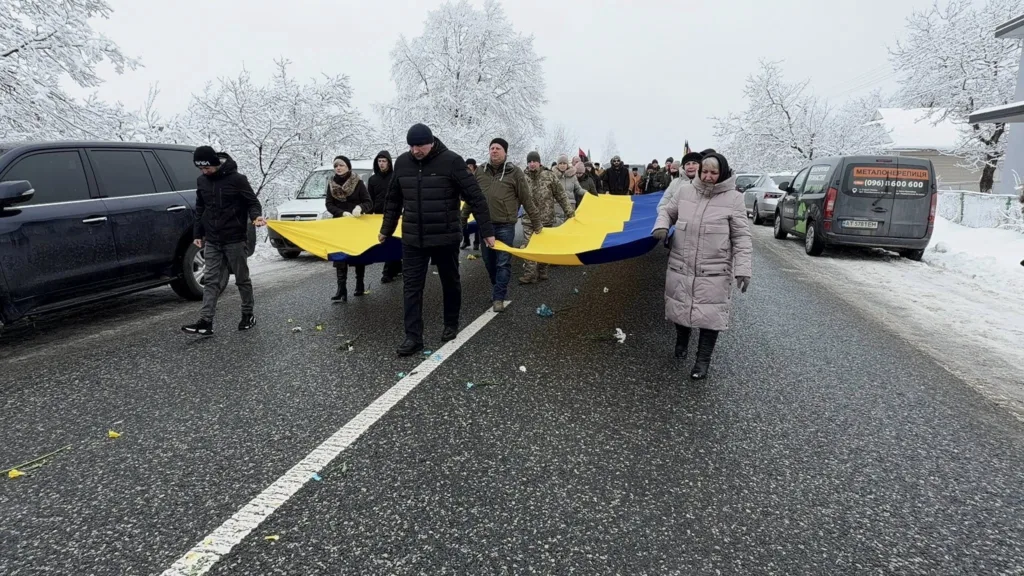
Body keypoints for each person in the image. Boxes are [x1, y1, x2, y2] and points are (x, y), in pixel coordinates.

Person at [379, 123, 494, 356]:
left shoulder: (451, 161)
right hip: (413, 239)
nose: (415, 151)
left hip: (445, 237)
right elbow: (393, 200)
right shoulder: (402, 163)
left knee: (450, 282)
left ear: (431, 143)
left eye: (419, 145)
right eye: (411, 146)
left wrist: (487, 230)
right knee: (411, 287)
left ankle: (450, 323)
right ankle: (413, 337)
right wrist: (386, 229)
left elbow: (475, 197)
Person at [651, 152, 752, 380]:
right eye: (704, 171)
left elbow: (742, 238)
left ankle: (702, 360)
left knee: (710, 315)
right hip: (681, 263)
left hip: (715, 269)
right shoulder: (684, 190)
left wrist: (743, 269)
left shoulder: (734, 199)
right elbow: (667, 210)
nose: (707, 176)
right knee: (680, 307)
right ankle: (681, 342)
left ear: (722, 173)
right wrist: (662, 225)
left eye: (713, 173)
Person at [182, 146, 266, 336]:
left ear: (215, 163)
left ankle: (247, 314)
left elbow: (252, 202)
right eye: (201, 169)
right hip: (212, 239)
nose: (204, 172)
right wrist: (197, 233)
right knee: (211, 280)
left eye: (207, 168)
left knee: (242, 279)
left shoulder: (237, 179)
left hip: (235, 238)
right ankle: (206, 321)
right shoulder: (202, 181)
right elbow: (200, 208)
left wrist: (256, 216)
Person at [476, 137, 544, 312]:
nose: (494, 151)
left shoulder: (515, 173)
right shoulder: (480, 171)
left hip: (505, 225)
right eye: (492, 148)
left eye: (498, 148)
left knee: (503, 262)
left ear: (505, 152)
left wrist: (537, 222)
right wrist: (462, 217)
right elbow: (472, 197)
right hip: (485, 226)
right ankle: (497, 286)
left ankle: (499, 296)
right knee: (489, 261)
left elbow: (526, 198)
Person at [521, 151, 574, 284]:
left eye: (534, 161)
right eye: (530, 162)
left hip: (546, 218)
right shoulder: (522, 178)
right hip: (528, 219)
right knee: (529, 247)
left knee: (544, 248)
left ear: (539, 162)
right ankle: (529, 274)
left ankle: (542, 271)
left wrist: (569, 212)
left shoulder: (549, 176)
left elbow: (561, 195)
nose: (532, 164)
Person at [326, 155, 372, 302]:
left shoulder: (357, 182)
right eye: (336, 166)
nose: (338, 168)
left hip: (356, 225)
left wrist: (360, 207)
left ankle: (359, 284)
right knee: (339, 256)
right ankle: (342, 289)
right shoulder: (331, 184)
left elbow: (368, 202)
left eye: (341, 165)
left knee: (357, 254)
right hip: (339, 225)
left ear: (348, 166)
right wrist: (341, 213)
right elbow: (329, 204)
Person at [367, 150, 401, 284]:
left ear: (389, 162)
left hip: (394, 214)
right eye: (379, 161)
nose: (381, 164)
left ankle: (388, 272)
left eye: (384, 161)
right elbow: (370, 199)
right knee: (386, 242)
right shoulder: (372, 179)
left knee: (393, 241)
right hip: (378, 216)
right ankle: (395, 267)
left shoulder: (395, 177)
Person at [460, 159, 481, 251]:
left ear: (474, 166)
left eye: (470, 165)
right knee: (462, 219)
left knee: (478, 221)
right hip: (468, 202)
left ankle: (476, 242)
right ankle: (466, 240)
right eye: (467, 165)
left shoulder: (479, 175)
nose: (469, 167)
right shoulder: (463, 176)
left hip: (477, 202)